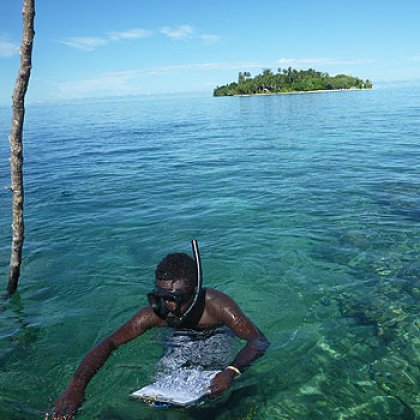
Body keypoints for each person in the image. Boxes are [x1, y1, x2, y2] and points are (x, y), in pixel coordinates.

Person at [47, 241, 269, 418]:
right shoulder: (156, 313)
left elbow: (257, 341)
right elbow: (110, 343)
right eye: (159, 298)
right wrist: (76, 387)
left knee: (215, 397)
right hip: (178, 342)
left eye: (174, 299)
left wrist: (231, 372)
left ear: (194, 293)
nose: (166, 307)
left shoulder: (218, 306)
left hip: (216, 338)